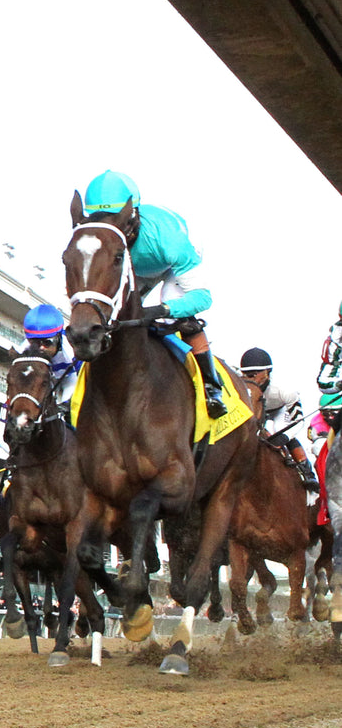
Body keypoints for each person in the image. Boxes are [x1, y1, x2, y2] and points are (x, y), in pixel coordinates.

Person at [80, 170, 226, 418]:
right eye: (101, 220)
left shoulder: (170, 241)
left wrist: (163, 310)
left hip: (171, 265)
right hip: (138, 267)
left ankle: (211, 387)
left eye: (115, 220)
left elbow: (202, 298)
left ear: (133, 216)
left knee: (172, 314)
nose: (109, 229)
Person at [239, 347, 318, 492]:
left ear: (267, 373)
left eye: (253, 374)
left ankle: (307, 472)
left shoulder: (284, 390)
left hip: (279, 411)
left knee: (281, 431)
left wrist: (284, 437)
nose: (248, 379)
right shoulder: (240, 386)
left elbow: (298, 420)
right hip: (256, 411)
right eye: (245, 374)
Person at [20, 303, 80, 411]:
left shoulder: (72, 349)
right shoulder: (23, 351)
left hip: (70, 377)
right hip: (45, 378)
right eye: (35, 343)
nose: (41, 348)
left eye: (47, 342)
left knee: (70, 405)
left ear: (58, 338)